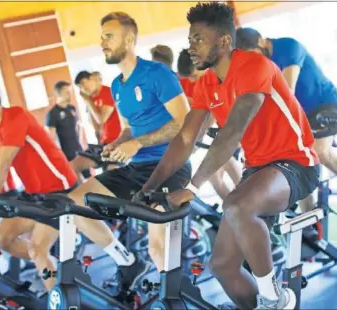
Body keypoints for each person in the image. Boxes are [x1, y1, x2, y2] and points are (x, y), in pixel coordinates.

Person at [135, 3, 319, 309]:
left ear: (223, 41)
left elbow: (231, 133)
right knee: (222, 266)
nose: (190, 46)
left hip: (295, 163)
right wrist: (147, 188)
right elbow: (184, 138)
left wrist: (192, 189)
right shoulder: (206, 83)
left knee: (236, 205)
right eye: (190, 39)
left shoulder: (254, 66)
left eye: (198, 39)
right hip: (258, 171)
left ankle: (276, 300)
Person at [65, 11, 191, 293]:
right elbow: (128, 128)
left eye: (109, 36)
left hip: (170, 165)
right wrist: (119, 143)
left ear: (129, 38)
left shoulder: (157, 74)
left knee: (158, 249)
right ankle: (128, 262)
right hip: (139, 167)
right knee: (75, 202)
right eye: (102, 37)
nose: (103, 43)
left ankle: (176, 298)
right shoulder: (119, 86)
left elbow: (185, 121)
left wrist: (137, 143)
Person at [0, 77, 78, 291]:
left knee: (38, 250)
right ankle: (57, 271)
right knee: (2, 238)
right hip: (34, 194)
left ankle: (59, 294)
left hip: (60, 191)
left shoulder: (15, 117)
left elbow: (1, 168)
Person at [235, 27, 337, 215]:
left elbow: (287, 90)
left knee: (319, 151)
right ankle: (307, 215)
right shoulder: (259, 62)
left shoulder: (289, 46)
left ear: (261, 41)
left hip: (324, 104)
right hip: (298, 113)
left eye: (254, 55)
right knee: (295, 159)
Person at [178, 48, 242, 200]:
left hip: (239, 131)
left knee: (229, 169)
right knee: (214, 178)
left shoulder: (224, 75)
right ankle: (233, 209)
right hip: (226, 132)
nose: (192, 81)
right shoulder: (205, 83)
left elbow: (212, 113)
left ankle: (250, 206)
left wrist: (197, 139)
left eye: (193, 75)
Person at [72, 70, 122, 173]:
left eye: (83, 84)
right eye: (80, 87)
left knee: (111, 173)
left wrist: (88, 101)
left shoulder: (107, 92)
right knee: (74, 165)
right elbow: (95, 126)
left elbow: (101, 119)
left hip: (116, 142)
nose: (83, 89)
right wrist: (89, 102)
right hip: (103, 143)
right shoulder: (93, 98)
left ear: (92, 79)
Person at [46, 81, 91, 179]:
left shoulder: (72, 108)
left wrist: (80, 142)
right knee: (76, 180)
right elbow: (51, 138)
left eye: (70, 91)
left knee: (89, 177)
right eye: (67, 92)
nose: (70, 94)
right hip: (65, 153)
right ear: (59, 94)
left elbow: (78, 126)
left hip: (78, 149)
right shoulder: (52, 114)